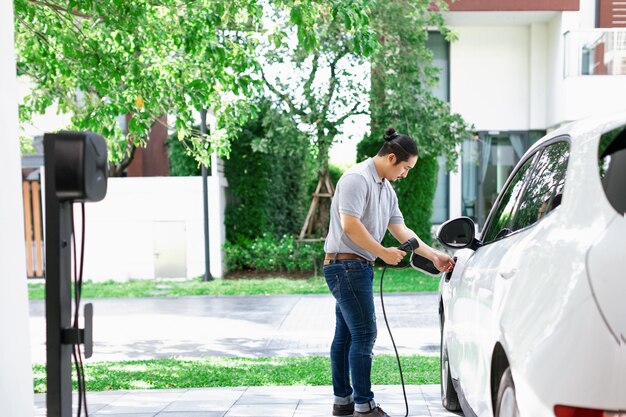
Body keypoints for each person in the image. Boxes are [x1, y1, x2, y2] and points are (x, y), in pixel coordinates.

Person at [323, 128, 455, 417]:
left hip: (355, 266)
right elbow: (350, 225)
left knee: (346, 335)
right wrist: (382, 252)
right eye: (406, 167)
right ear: (391, 157)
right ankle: (364, 406)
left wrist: (434, 255)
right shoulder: (357, 179)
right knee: (365, 334)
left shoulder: (386, 188)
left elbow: (401, 230)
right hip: (345, 265)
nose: (406, 174)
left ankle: (343, 402)